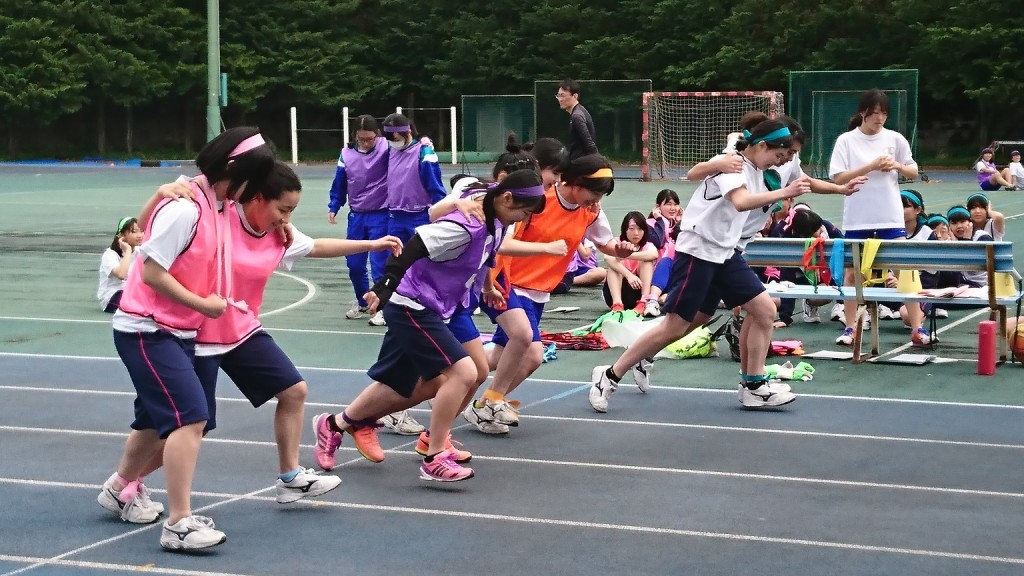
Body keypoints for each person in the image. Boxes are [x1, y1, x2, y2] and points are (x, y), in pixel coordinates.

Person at [99, 127, 275, 551]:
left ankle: (119, 488)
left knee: (151, 420)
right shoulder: (186, 208)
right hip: (147, 328)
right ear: (233, 170)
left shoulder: (216, 203)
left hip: (176, 330)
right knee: (190, 418)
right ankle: (179, 523)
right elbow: (152, 272)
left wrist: (281, 228)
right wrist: (204, 304)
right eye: (254, 180)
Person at [310, 170, 548, 482]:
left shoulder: (499, 216)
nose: (524, 219)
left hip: (448, 303)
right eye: (524, 211)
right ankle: (435, 455)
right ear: (506, 197)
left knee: (461, 373)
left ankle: (342, 423)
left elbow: (486, 254)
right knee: (458, 374)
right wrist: (384, 286)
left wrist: (488, 285)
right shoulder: (465, 225)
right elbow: (415, 244)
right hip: (415, 304)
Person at [589, 119, 811, 413]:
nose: (781, 163)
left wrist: (842, 188)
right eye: (779, 156)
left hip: (725, 253)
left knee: (762, 310)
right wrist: (785, 192)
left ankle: (753, 386)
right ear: (761, 146)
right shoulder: (734, 166)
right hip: (700, 250)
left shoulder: (754, 165)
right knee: (676, 326)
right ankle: (609, 375)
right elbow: (741, 201)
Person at [463, 154, 636, 434]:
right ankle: (488, 403)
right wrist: (545, 249)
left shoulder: (590, 210)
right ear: (576, 183)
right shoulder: (538, 200)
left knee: (499, 356)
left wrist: (620, 250)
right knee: (531, 352)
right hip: (505, 281)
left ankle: (438, 369)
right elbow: (502, 242)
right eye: (594, 192)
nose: (597, 200)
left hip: (539, 290)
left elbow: (605, 243)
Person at [828, 89, 927, 347]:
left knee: (905, 271)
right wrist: (870, 166)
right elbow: (837, 177)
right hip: (858, 219)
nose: (879, 119)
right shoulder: (846, 141)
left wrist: (896, 166)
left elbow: (913, 171)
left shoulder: (895, 139)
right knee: (853, 274)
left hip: (890, 217)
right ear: (863, 113)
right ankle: (850, 328)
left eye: (884, 114)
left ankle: (918, 328)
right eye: (874, 114)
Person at [379, 112, 447, 326]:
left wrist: (442, 214)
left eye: (397, 138)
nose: (393, 142)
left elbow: (435, 186)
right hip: (395, 215)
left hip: (420, 215)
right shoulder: (389, 151)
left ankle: (435, 304)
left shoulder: (424, 152)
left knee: (426, 263)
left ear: (408, 131)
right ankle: (387, 301)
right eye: (390, 138)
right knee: (393, 261)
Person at [328, 114, 391, 322]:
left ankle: (381, 305)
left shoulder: (386, 147)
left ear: (378, 135)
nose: (365, 143)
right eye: (361, 139)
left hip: (381, 213)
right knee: (354, 263)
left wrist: (424, 142)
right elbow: (340, 182)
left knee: (379, 263)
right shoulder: (346, 154)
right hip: (357, 216)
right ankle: (363, 301)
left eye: (370, 139)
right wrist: (334, 205)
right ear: (355, 136)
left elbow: (409, 147)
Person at [603, 211, 658, 312]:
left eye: (640, 229)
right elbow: (607, 257)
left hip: (638, 290)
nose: (636, 233)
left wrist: (626, 254)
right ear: (625, 230)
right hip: (617, 291)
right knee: (614, 264)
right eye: (632, 229)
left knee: (647, 261)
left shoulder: (648, 246)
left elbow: (654, 254)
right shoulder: (616, 242)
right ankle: (617, 305)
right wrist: (629, 275)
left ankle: (643, 302)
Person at [98, 217, 143, 312]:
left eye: (142, 231)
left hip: (133, 293)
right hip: (113, 296)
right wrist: (128, 251)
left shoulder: (140, 252)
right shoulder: (110, 254)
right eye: (134, 232)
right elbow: (121, 274)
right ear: (121, 235)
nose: (139, 235)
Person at [948, 205, 994, 287]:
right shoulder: (948, 241)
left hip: (983, 285)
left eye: (962, 221)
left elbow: (969, 266)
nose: (959, 226)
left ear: (970, 223)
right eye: (954, 223)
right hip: (960, 286)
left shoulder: (982, 238)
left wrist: (966, 241)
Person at [556, 78, 598, 160]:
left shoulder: (577, 116)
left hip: (580, 164)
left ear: (575, 96)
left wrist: (597, 163)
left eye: (563, 95)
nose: (560, 99)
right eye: (558, 96)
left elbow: (589, 144)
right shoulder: (579, 112)